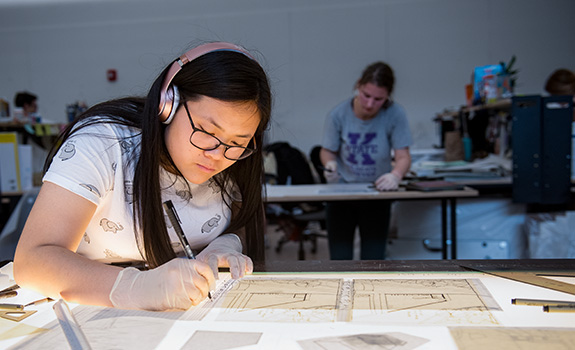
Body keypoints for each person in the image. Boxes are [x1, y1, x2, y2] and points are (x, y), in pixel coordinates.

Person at [13, 41, 272, 311]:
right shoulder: (102, 143)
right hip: (91, 313)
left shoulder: (238, 158)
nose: (218, 154)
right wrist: (135, 287)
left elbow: (241, 216)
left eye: (237, 142)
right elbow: (32, 260)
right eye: (207, 132)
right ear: (167, 105)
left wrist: (228, 242)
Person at [320, 61, 412, 260]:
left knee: (374, 259)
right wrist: (330, 164)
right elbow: (327, 151)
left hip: (377, 194)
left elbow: (403, 156)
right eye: (366, 96)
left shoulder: (395, 114)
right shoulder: (338, 114)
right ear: (358, 86)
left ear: (388, 95)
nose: (370, 104)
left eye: (379, 99)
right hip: (342, 194)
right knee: (339, 258)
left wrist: (395, 175)